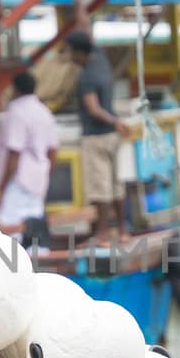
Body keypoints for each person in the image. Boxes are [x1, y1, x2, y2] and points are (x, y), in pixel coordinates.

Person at [60, 30, 128, 240]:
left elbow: (92, 108)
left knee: (100, 188)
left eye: (70, 51)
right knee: (116, 186)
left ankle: (103, 233)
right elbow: (85, 26)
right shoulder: (100, 58)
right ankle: (123, 231)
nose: (69, 56)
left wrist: (115, 121)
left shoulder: (87, 77)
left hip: (96, 137)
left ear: (78, 52)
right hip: (112, 137)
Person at [0, 71, 60, 234]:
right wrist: (46, 178)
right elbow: (53, 152)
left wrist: (1, 187)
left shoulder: (16, 112)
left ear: (15, 89)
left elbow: (14, 152)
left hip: (17, 181)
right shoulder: (45, 112)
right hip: (38, 181)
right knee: (35, 231)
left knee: (12, 233)